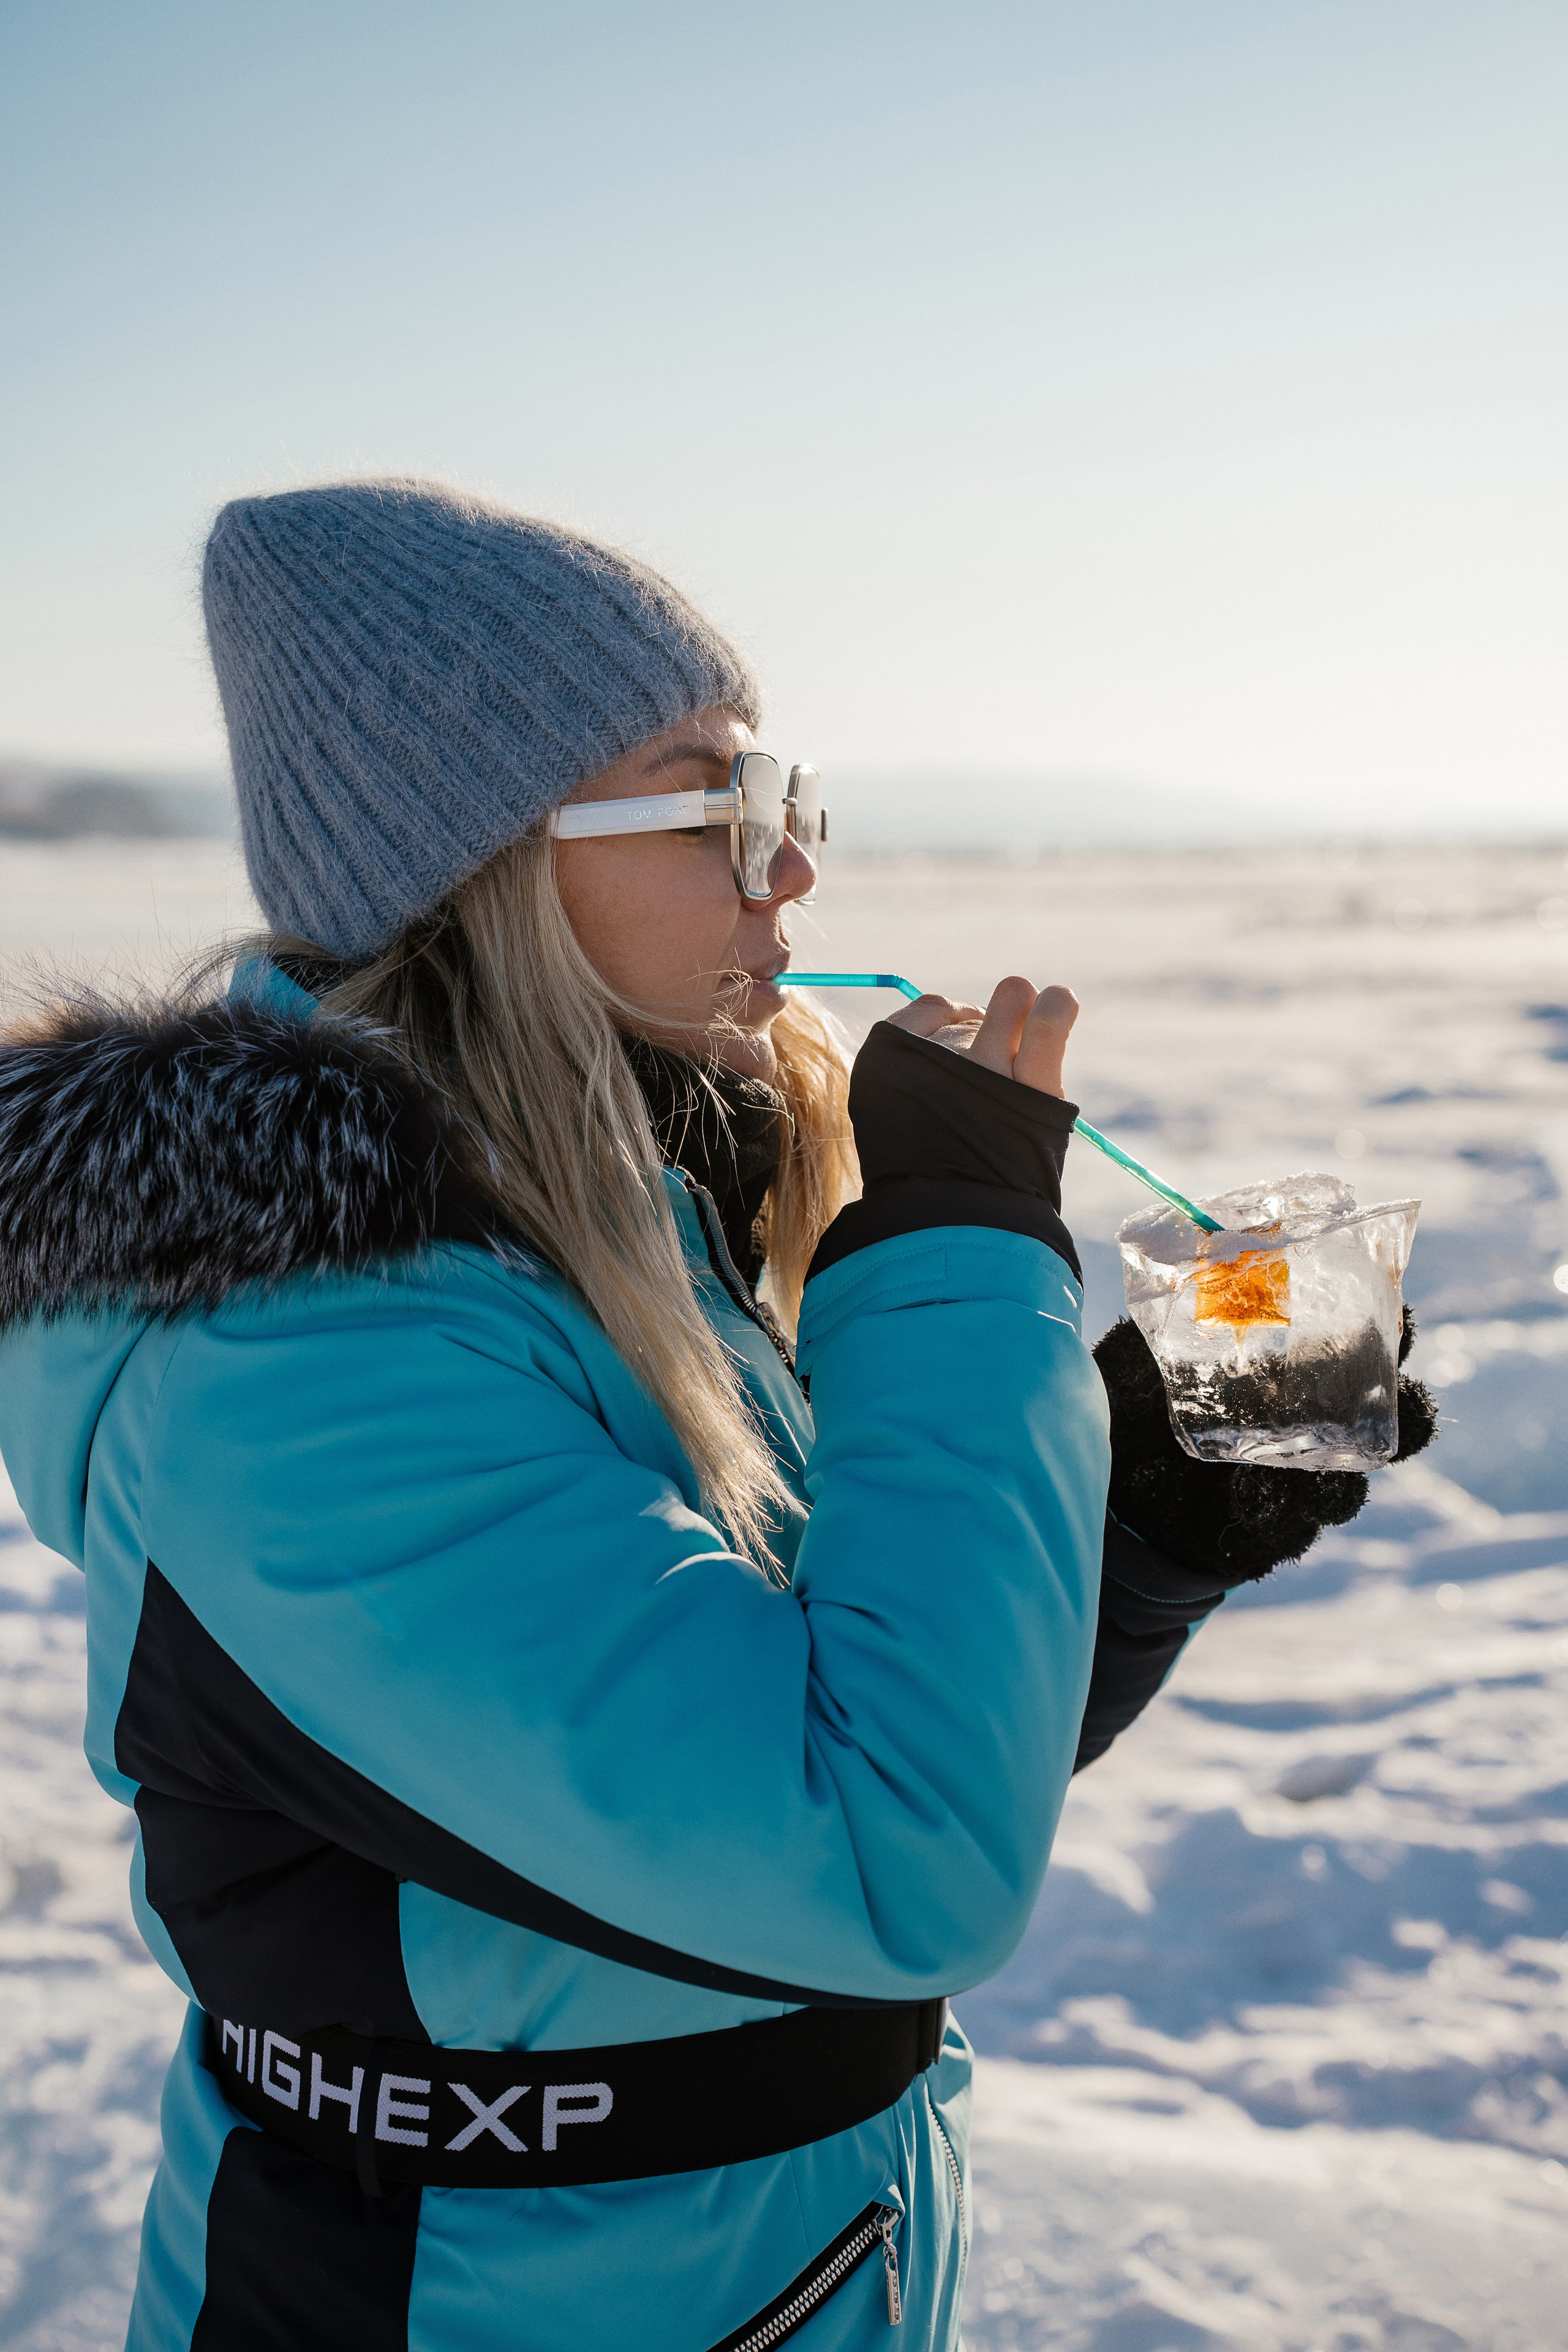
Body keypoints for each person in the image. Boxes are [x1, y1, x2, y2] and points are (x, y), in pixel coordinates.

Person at [0, 481, 1431, 2352]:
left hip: (765, 2264)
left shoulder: (623, 1223)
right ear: (481, 862)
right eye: (726, 807)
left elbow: (829, 1724)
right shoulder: (302, 1358)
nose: (796, 875)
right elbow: (883, 1851)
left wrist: (1141, 1523)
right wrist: (947, 1256)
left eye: (794, 803)